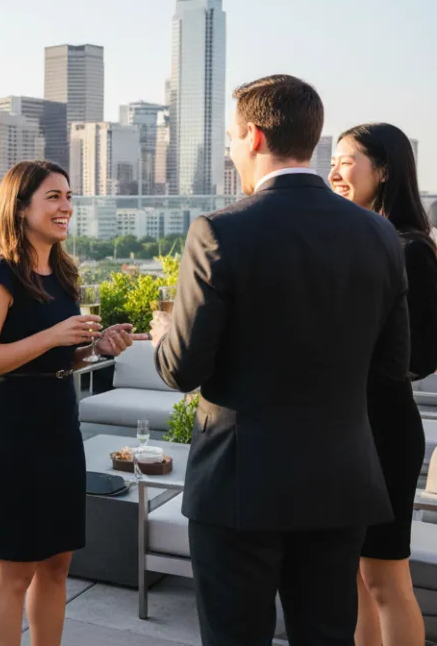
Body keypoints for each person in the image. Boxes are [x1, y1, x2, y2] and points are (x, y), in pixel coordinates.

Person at [150, 75, 409, 646]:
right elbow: (393, 367)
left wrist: (166, 332)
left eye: (232, 137)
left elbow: (183, 371)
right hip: (341, 480)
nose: (229, 149)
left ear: (255, 135)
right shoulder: (380, 235)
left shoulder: (219, 231)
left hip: (242, 486)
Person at [0, 160, 139, 646]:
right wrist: (53, 334)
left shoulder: (61, 272)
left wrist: (92, 349)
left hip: (59, 423)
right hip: (10, 431)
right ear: (20, 208)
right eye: (54, 197)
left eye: (68, 196)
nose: (66, 207)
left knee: (58, 564)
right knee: (14, 570)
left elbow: (54, 357)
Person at [330, 123, 437, 646]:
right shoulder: (356, 240)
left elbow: (420, 357)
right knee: (352, 575)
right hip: (345, 429)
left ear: (385, 170)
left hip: (384, 431)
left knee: (385, 578)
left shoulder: (410, 249)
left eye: (346, 160)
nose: (333, 172)